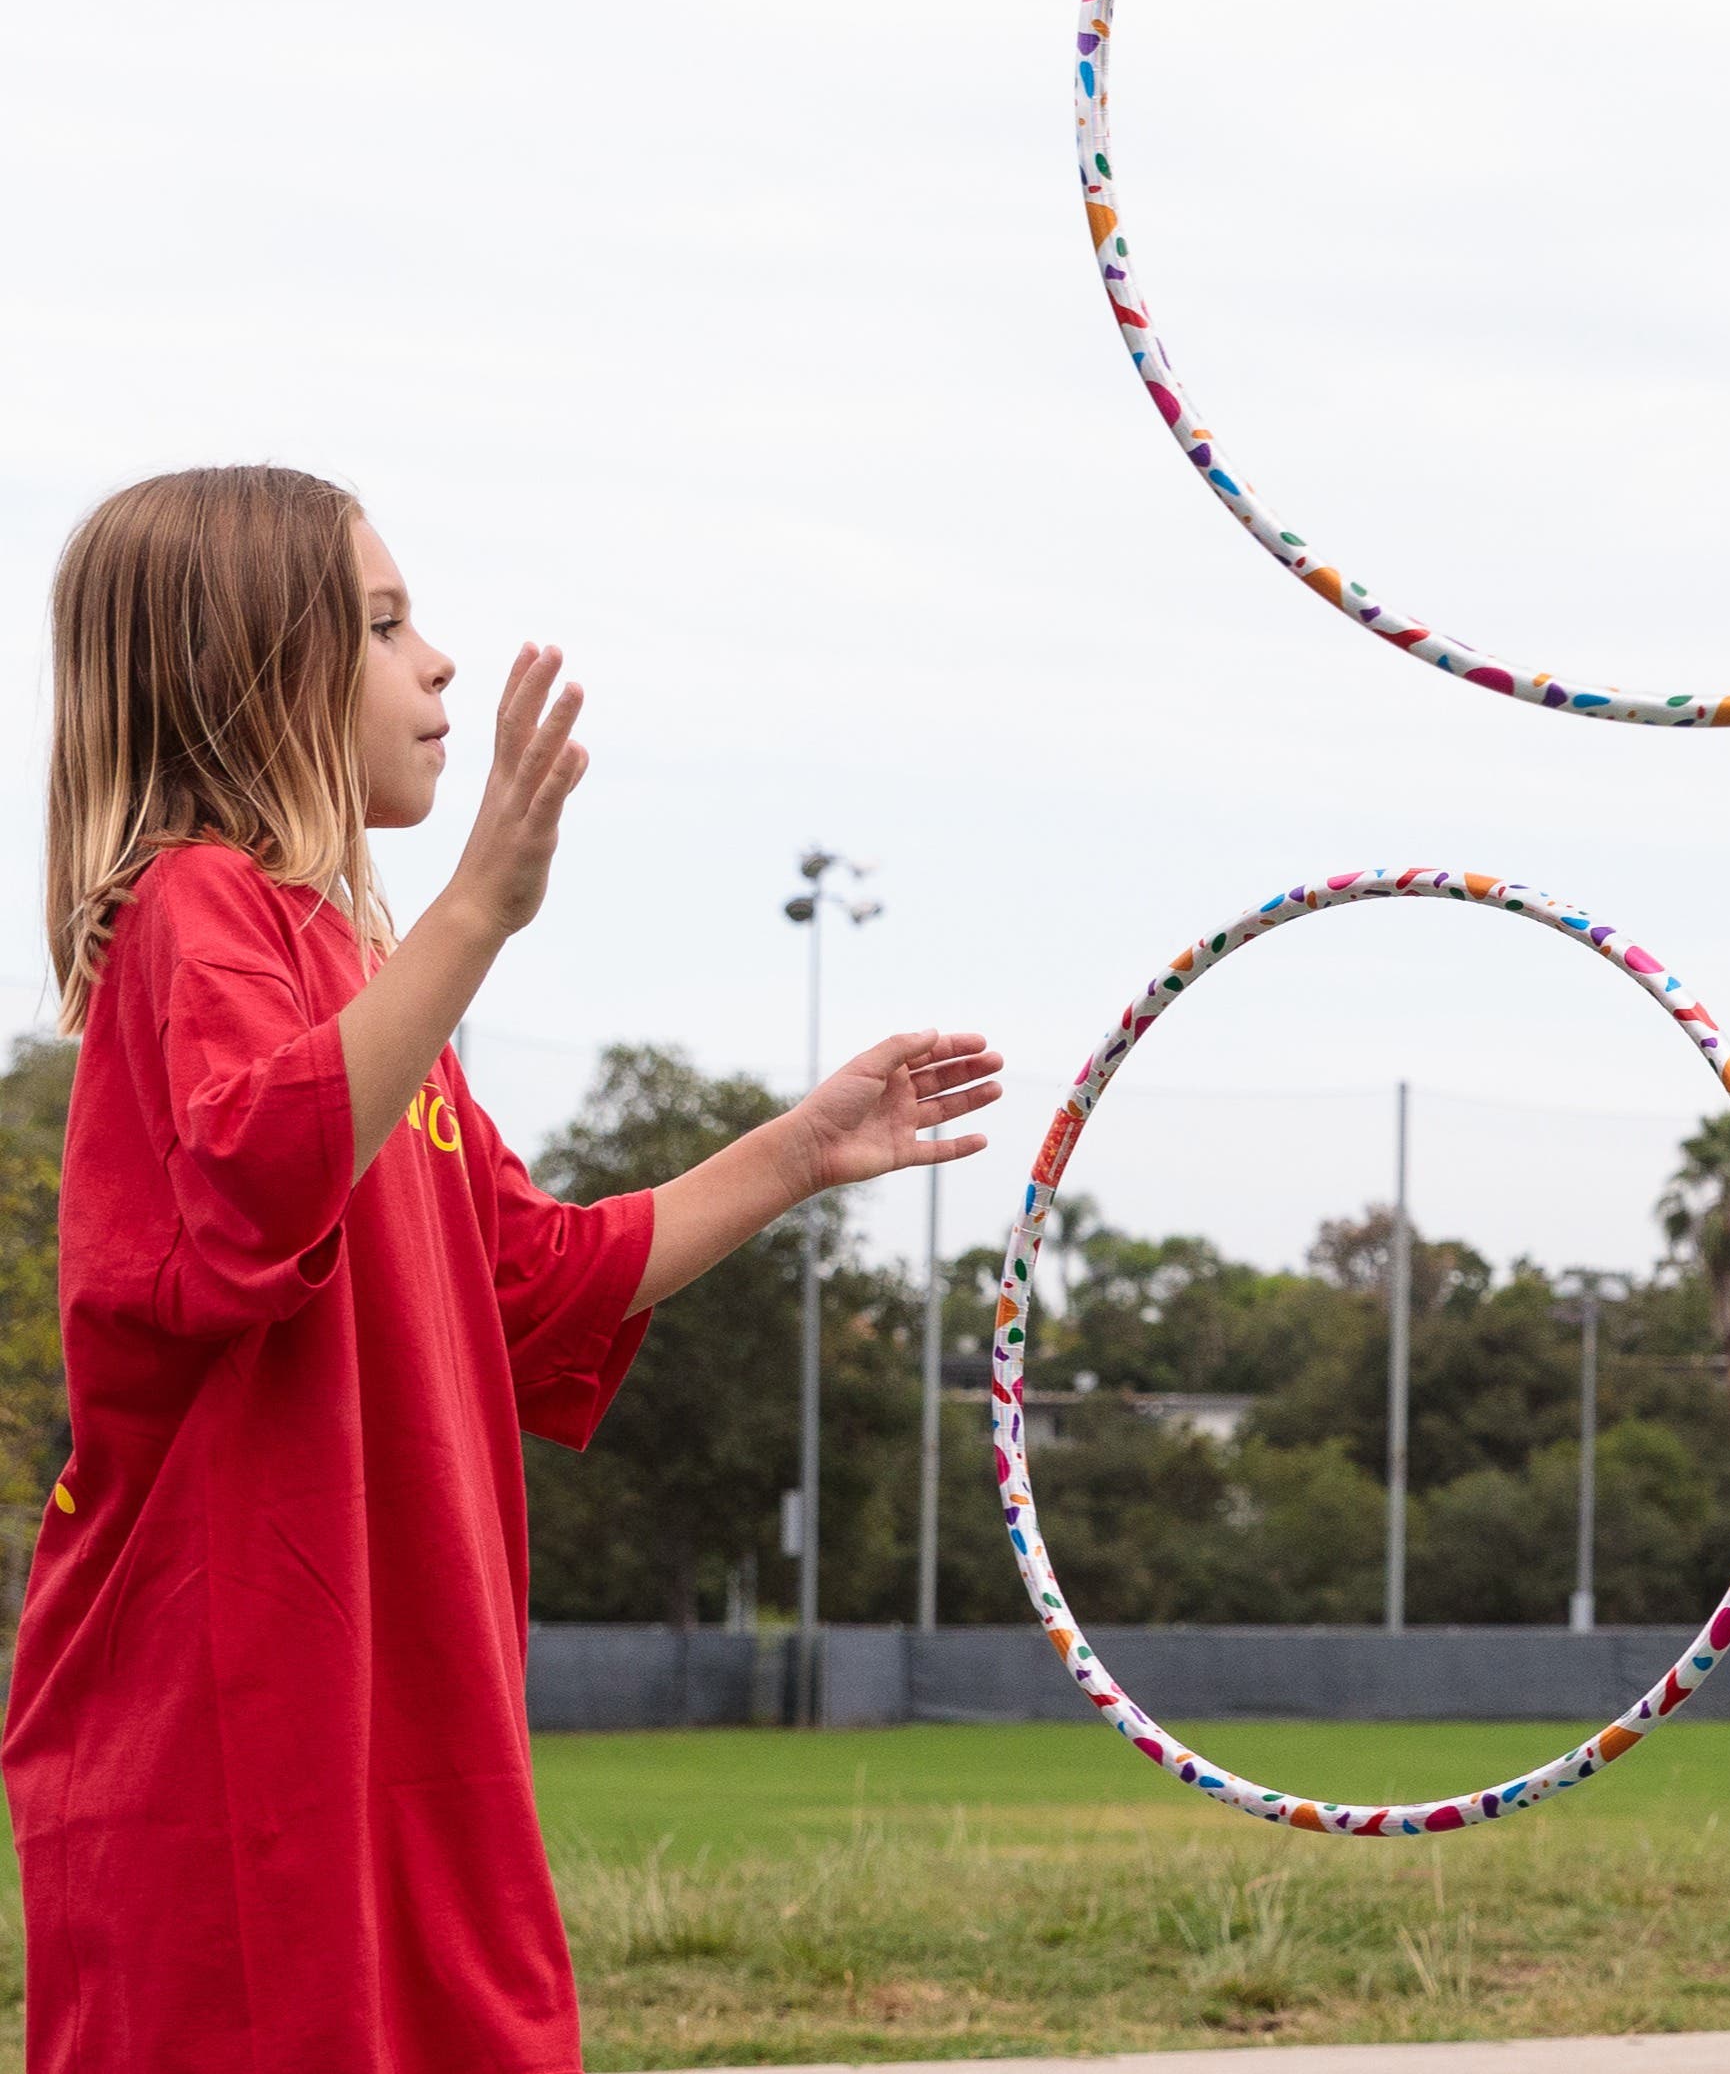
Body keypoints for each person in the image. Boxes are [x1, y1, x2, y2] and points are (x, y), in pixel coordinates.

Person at [7, 465, 1004, 2074]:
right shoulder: (194, 914)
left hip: (398, 1715)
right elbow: (259, 1172)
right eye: (387, 624)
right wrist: (481, 907)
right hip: (228, 1726)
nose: (441, 663)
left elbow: (530, 1281)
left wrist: (800, 1155)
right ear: (252, 672)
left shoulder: (363, 978)